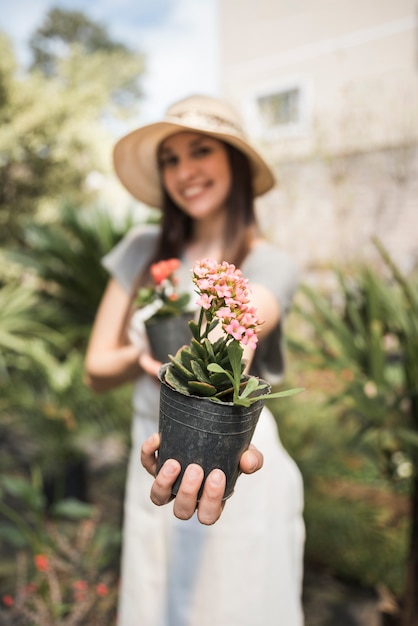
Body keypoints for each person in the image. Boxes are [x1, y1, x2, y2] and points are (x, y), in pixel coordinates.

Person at [85, 94, 305, 626]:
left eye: (200, 151)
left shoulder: (271, 262)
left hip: (231, 449)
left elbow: (246, 325)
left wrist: (205, 404)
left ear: (234, 163)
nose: (185, 171)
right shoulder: (143, 249)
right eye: (170, 159)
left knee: (237, 604)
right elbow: (97, 368)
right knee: (157, 602)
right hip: (156, 449)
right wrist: (144, 357)